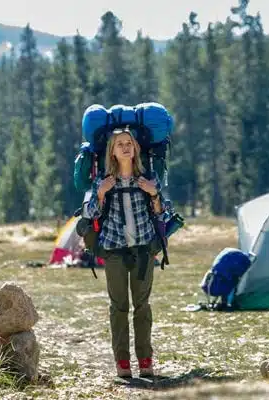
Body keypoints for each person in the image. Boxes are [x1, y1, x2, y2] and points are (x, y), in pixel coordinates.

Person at [85, 127, 171, 379]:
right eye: (119, 144)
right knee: (118, 306)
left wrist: (153, 193)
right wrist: (100, 193)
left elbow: (161, 212)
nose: (125, 147)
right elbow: (90, 214)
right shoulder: (103, 181)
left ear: (135, 149)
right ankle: (122, 362)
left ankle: (145, 359)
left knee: (142, 306)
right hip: (114, 252)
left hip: (144, 249)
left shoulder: (147, 178)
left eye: (129, 143)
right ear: (112, 151)